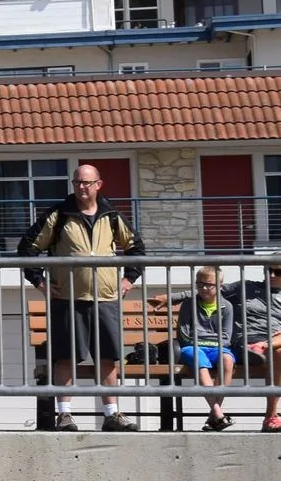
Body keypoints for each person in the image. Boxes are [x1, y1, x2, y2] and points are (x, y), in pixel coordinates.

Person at [17, 163, 145, 432]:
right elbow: (27, 247)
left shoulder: (111, 215)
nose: (81, 187)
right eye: (77, 182)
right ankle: (64, 415)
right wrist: (39, 282)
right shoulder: (59, 214)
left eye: (87, 182)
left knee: (107, 359)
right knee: (66, 358)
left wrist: (129, 279)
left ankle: (112, 415)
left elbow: (136, 247)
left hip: (106, 299)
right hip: (67, 300)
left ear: (99, 184)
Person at [176, 266, 237, 431]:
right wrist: (206, 341)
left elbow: (226, 337)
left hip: (217, 348)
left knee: (227, 360)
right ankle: (218, 412)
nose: (203, 288)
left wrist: (206, 340)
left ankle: (214, 417)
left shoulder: (227, 307)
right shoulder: (189, 304)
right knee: (199, 359)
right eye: (199, 284)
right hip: (192, 347)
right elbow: (184, 334)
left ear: (220, 286)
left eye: (209, 285)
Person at [223, 262, 281, 432]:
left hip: (275, 340)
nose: (272, 275)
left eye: (278, 272)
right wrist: (169, 298)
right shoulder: (246, 287)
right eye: (268, 270)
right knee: (279, 354)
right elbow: (208, 288)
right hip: (248, 339)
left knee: (278, 352)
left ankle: (263, 346)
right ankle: (271, 416)